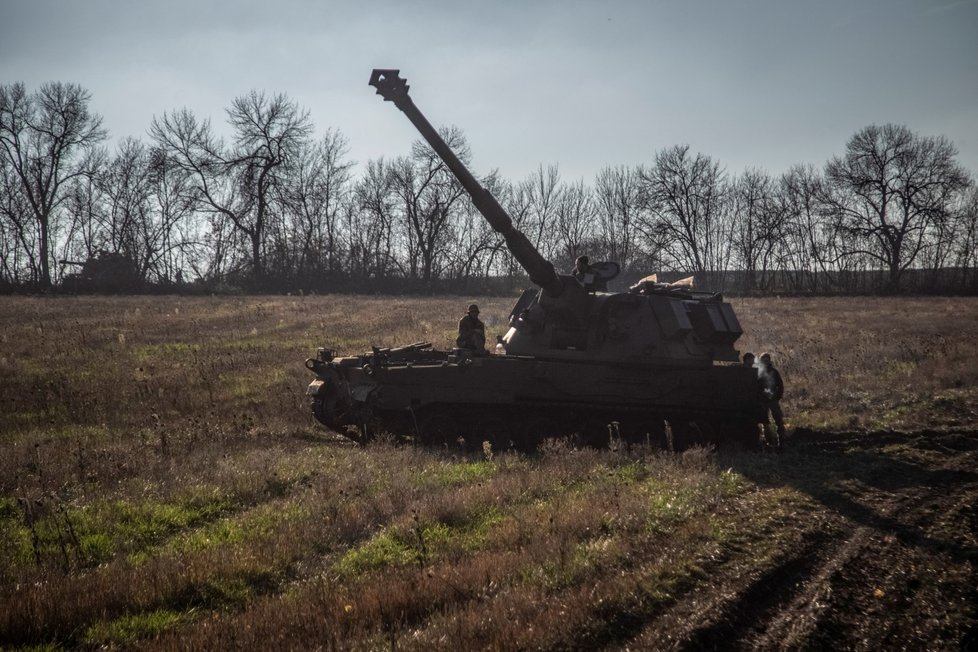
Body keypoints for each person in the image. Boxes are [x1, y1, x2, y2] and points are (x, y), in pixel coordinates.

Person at [758, 352, 786, 448]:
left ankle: (781, 441)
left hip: (773, 400)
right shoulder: (758, 372)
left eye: (767, 359)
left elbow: (780, 385)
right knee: (764, 423)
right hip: (762, 401)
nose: (766, 361)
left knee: (779, 421)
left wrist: (777, 397)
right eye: (764, 359)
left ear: (769, 360)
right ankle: (769, 442)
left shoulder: (774, 372)